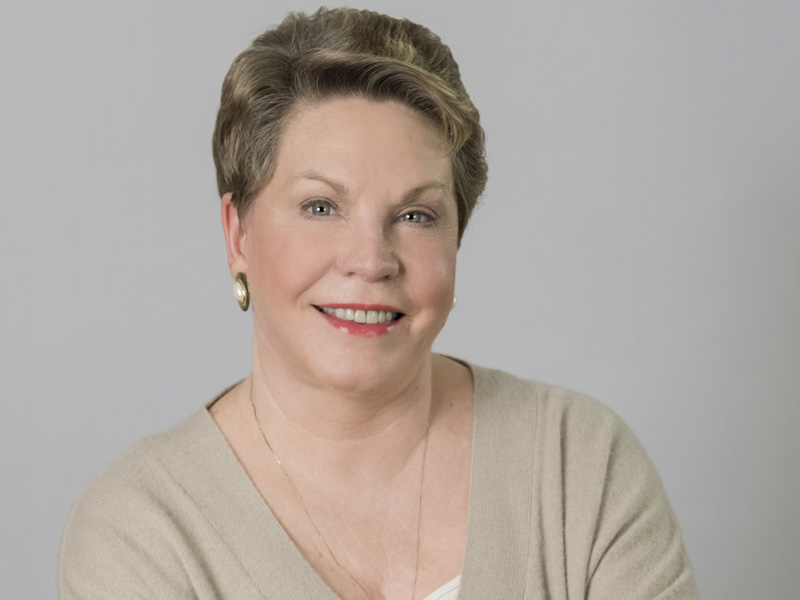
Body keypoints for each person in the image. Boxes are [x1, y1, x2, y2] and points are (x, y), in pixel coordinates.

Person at [58, 7, 698, 600]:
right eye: (320, 207)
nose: (371, 260)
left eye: (416, 215)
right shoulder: (139, 531)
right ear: (238, 235)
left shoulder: (578, 466)